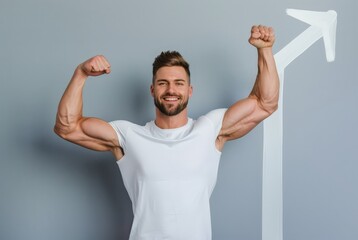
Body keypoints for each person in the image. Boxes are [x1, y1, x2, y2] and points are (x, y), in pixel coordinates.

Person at [54, 25, 279, 240]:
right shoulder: (127, 136)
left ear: (189, 91)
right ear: (153, 90)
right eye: (163, 83)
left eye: (179, 83)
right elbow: (67, 127)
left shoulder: (209, 129)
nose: (171, 90)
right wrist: (81, 73)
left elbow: (265, 103)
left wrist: (265, 51)